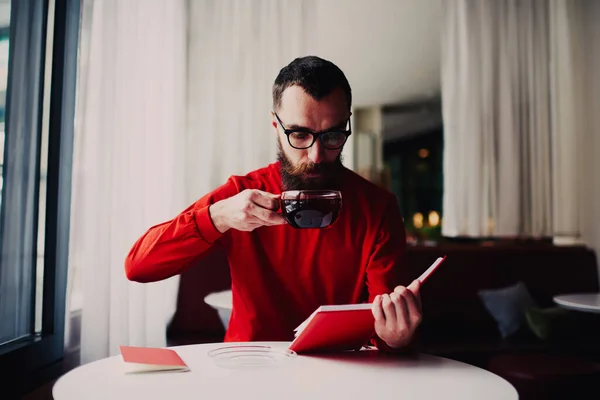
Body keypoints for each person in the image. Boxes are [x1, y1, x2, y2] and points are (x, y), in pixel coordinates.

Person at [125, 56, 422, 352]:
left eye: (332, 136)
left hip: (338, 372)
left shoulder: (378, 208)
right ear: (275, 127)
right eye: (300, 134)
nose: (317, 155)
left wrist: (395, 338)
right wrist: (218, 217)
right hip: (247, 369)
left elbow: (383, 327)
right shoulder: (241, 194)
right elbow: (138, 266)